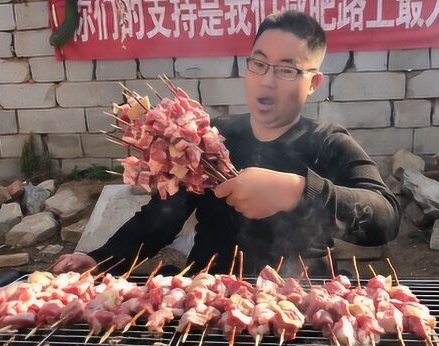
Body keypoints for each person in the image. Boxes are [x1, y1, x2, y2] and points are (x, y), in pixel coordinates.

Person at [52, 10, 401, 277]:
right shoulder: (209, 138)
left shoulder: (328, 142)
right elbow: (162, 218)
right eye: (258, 64)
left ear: (313, 83)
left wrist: (297, 190)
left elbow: (385, 218)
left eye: (286, 70)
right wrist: (100, 258)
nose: (266, 81)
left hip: (300, 299)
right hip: (208, 293)